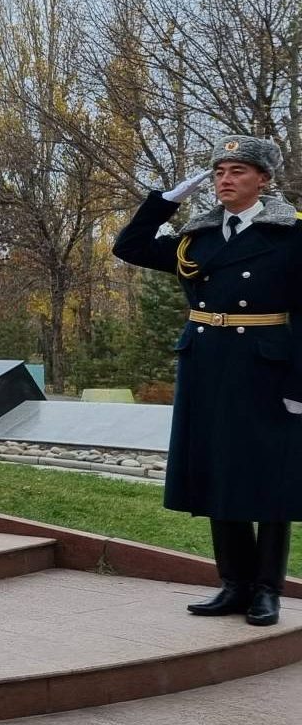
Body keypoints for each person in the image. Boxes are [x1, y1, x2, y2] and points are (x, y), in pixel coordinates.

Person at [111, 134, 302, 626]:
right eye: (219, 172)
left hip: (267, 368)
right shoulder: (199, 237)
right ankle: (233, 584)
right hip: (208, 365)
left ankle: (266, 590)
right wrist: (164, 202)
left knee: (270, 481)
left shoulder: (292, 234)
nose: (225, 181)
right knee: (221, 473)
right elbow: (129, 247)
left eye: (237, 171)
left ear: (263, 178)